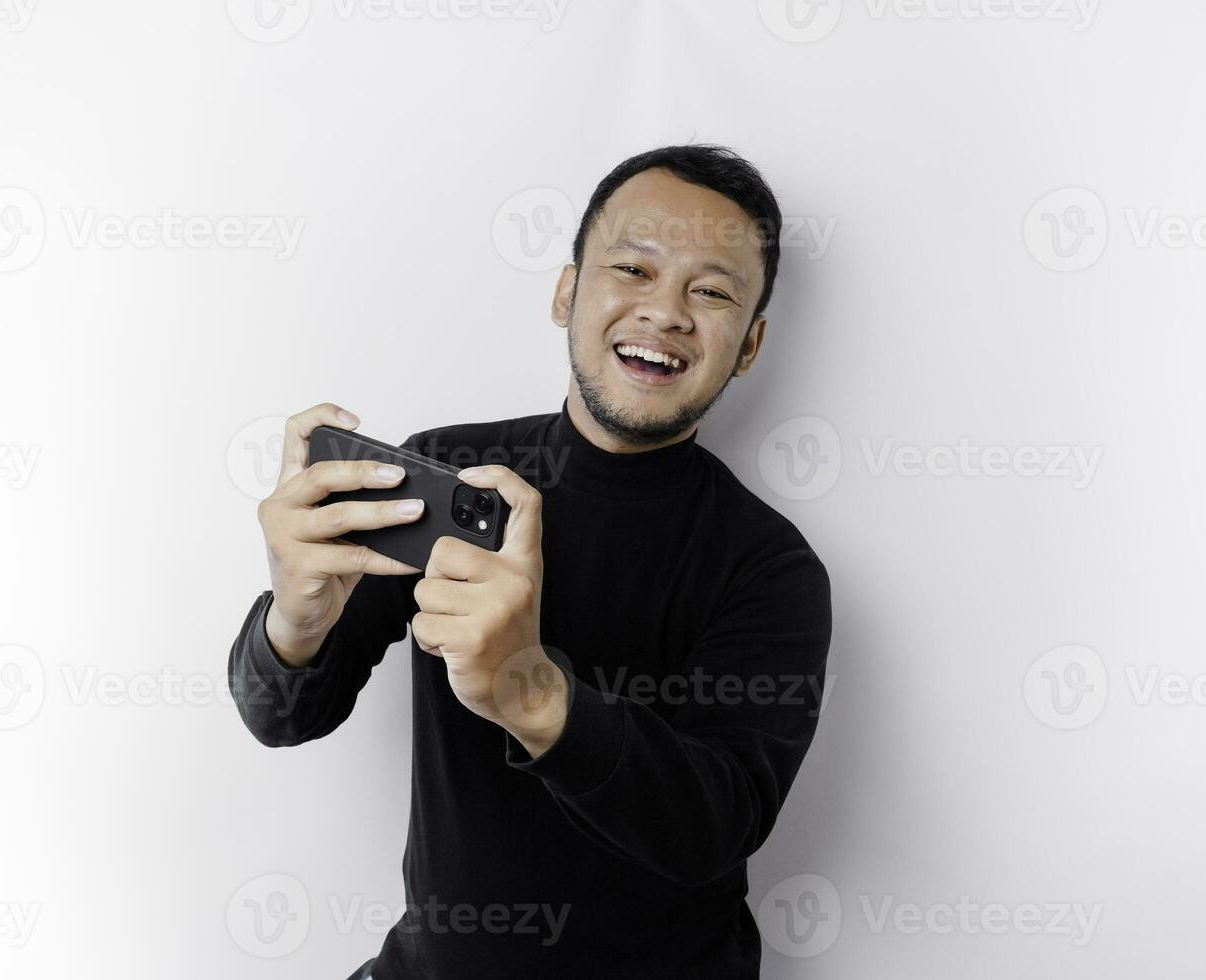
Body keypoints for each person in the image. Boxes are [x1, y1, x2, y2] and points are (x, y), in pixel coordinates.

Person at [228, 144, 834, 979]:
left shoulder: (771, 569)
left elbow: (715, 828)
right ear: (566, 291)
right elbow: (278, 716)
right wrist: (295, 622)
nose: (665, 312)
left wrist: (529, 689)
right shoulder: (446, 476)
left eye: (712, 290)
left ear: (751, 343)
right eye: (632, 268)